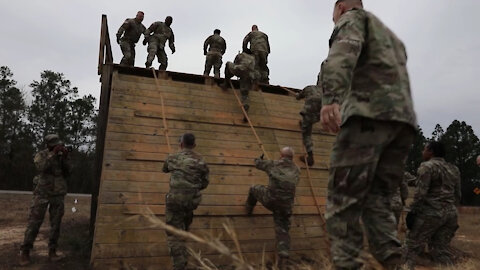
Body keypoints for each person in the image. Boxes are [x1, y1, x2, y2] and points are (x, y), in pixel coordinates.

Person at [319, 0, 417, 269]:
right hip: (401, 124)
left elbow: (342, 53)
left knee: (343, 202)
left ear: (340, 7)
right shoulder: (392, 37)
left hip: (367, 116)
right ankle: (394, 262)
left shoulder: (351, 18)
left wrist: (331, 98)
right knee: (377, 201)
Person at [405, 141, 461, 269]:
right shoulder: (453, 169)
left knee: (411, 248)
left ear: (431, 152)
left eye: (424, 149)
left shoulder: (427, 167)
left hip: (431, 213)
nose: (422, 152)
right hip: (450, 215)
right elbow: (458, 194)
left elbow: (420, 193)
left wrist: (413, 212)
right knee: (440, 250)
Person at [19, 134, 72, 266]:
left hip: (58, 193)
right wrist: (52, 154)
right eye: (54, 145)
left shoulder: (61, 156)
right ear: (47, 145)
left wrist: (64, 158)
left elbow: (69, 172)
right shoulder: (41, 155)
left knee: (56, 224)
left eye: (57, 144)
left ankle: (52, 251)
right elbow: (41, 167)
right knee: (34, 223)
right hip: (42, 193)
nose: (57, 147)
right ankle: (25, 252)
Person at [162, 133, 209, 270]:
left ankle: (180, 266)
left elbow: (165, 169)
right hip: (191, 202)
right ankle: (183, 255)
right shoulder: (201, 161)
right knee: (184, 228)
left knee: (174, 235)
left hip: (175, 201)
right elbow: (205, 183)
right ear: (194, 145)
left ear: (181, 144)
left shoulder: (173, 158)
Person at [245, 147, 300, 261]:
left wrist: (259, 159)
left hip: (271, 200)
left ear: (281, 155)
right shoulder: (297, 170)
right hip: (286, 206)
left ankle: (248, 209)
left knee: (254, 188)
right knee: (283, 228)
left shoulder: (273, 164)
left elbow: (258, 164)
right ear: (292, 157)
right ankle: (283, 251)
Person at [223, 50, 259, 121]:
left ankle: (225, 83)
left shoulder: (242, 55)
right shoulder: (253, 59)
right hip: (249, 75)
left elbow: (235, 63)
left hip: (240, 69)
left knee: (228, 64)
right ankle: (245, 112)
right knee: (244, 94)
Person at [296, 85, 322, 166]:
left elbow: (298, 97)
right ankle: (305, 123)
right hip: (320, 114)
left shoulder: (308, 88)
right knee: (309, 121)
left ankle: (310, 157)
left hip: (309, 113)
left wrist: (297, 95)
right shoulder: (325, 90)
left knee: (306, 135)